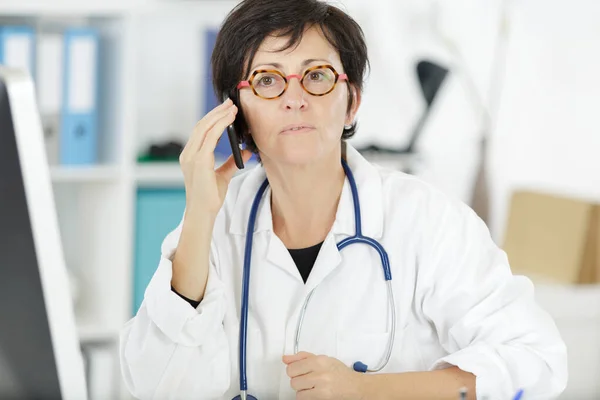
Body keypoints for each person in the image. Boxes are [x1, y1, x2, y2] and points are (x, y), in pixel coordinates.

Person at [119, 0, 567, 399]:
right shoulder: (214, 221)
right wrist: (199, 214)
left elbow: (536, 361)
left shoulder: (427, 220)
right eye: (268, 80)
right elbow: (153, 384)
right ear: (237, 114)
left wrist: (368, 391)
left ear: (351, 101)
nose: (294, 98)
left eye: (316, 76)